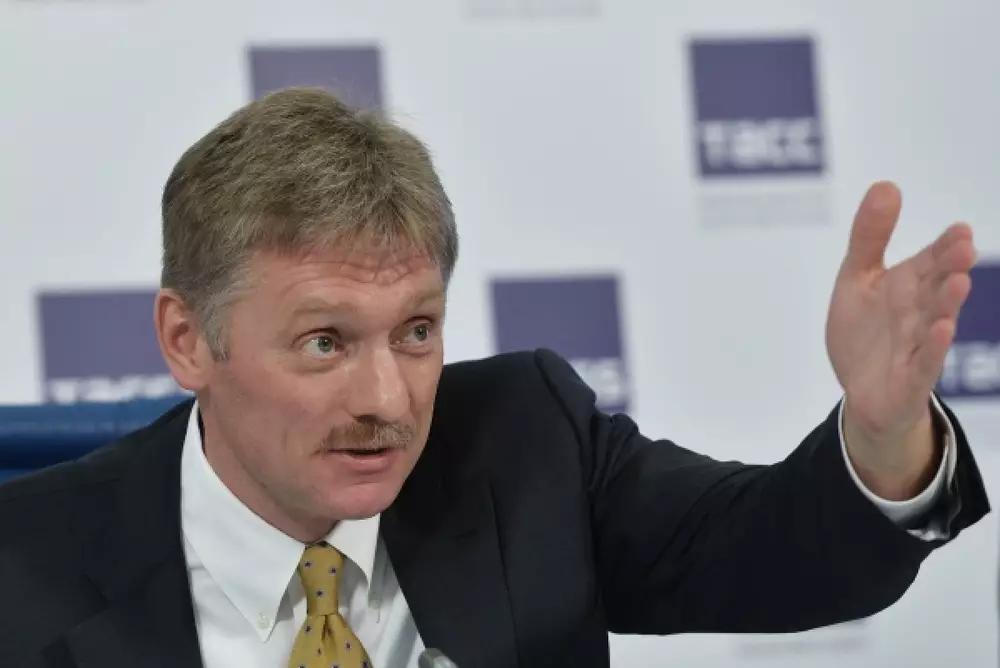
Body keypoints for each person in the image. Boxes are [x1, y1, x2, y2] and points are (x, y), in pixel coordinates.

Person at [0, 86, 989, 668]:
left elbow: (784, 552)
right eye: (324, 342)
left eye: (416, 331)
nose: (386, 400)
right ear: (187, 340)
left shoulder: (524, 444)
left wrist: (880, 434)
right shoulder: (23, 564)